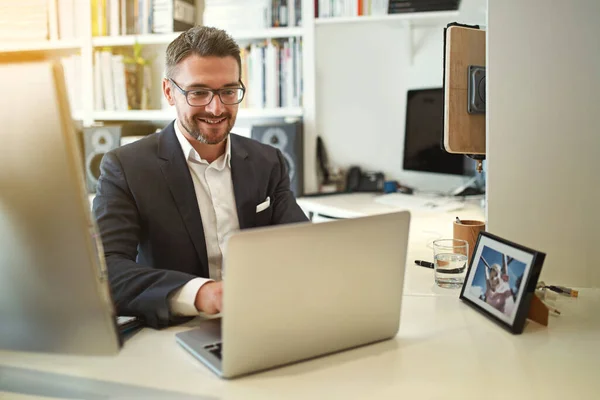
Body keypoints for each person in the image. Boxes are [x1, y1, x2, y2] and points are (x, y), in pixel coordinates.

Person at [93, 26, 309, 329]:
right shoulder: (125, 167)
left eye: (228, 92)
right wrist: (202, 294)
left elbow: (303, 247)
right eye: (198, 92)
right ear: (170, 92)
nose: (216, 107)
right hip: (177, 331)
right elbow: (106, 271)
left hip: (264, 321)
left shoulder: (268, 161)